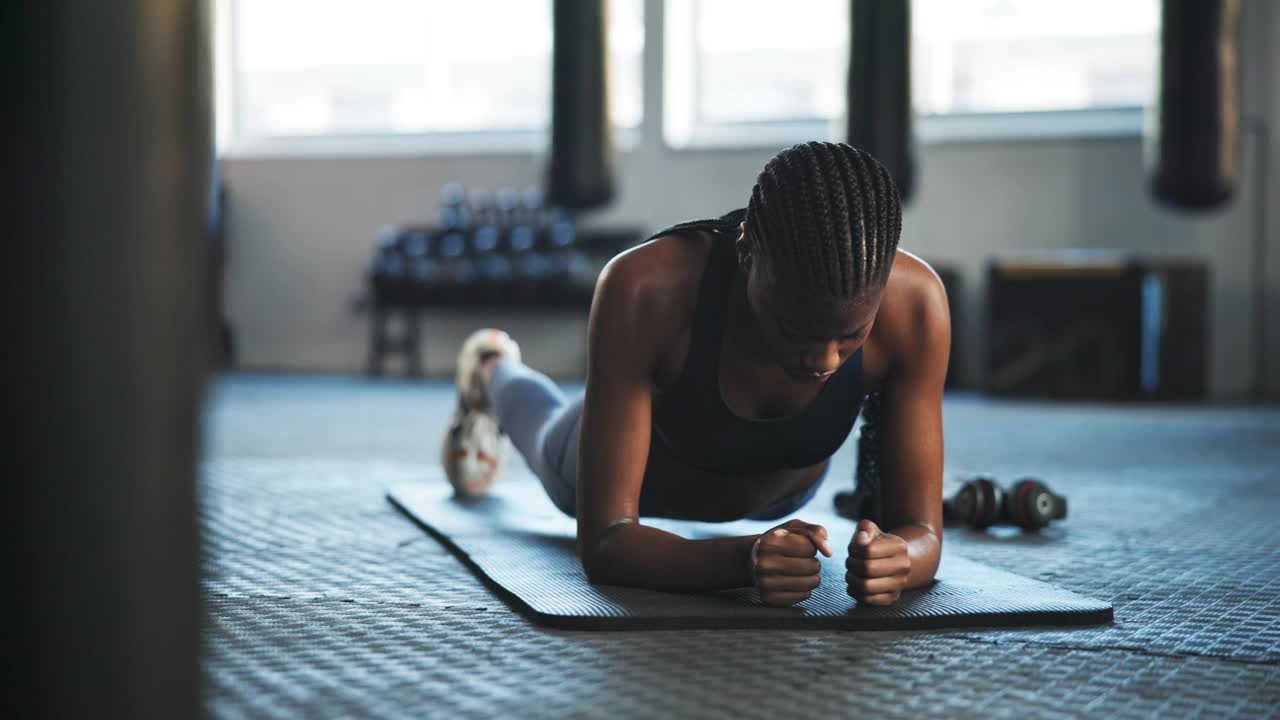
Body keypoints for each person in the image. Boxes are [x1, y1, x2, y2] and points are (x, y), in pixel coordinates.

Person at [441, 141, 949, 607]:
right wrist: (740, 561)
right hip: (649, 483)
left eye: (850, 337)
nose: (825, 362)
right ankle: (490, 370)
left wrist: (898, 557)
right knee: (545, 426)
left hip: (781, 492)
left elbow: (923, 531)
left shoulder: (917, 306)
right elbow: (604, 543)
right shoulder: (645, 287)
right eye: (796, 333)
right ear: (748, 255)